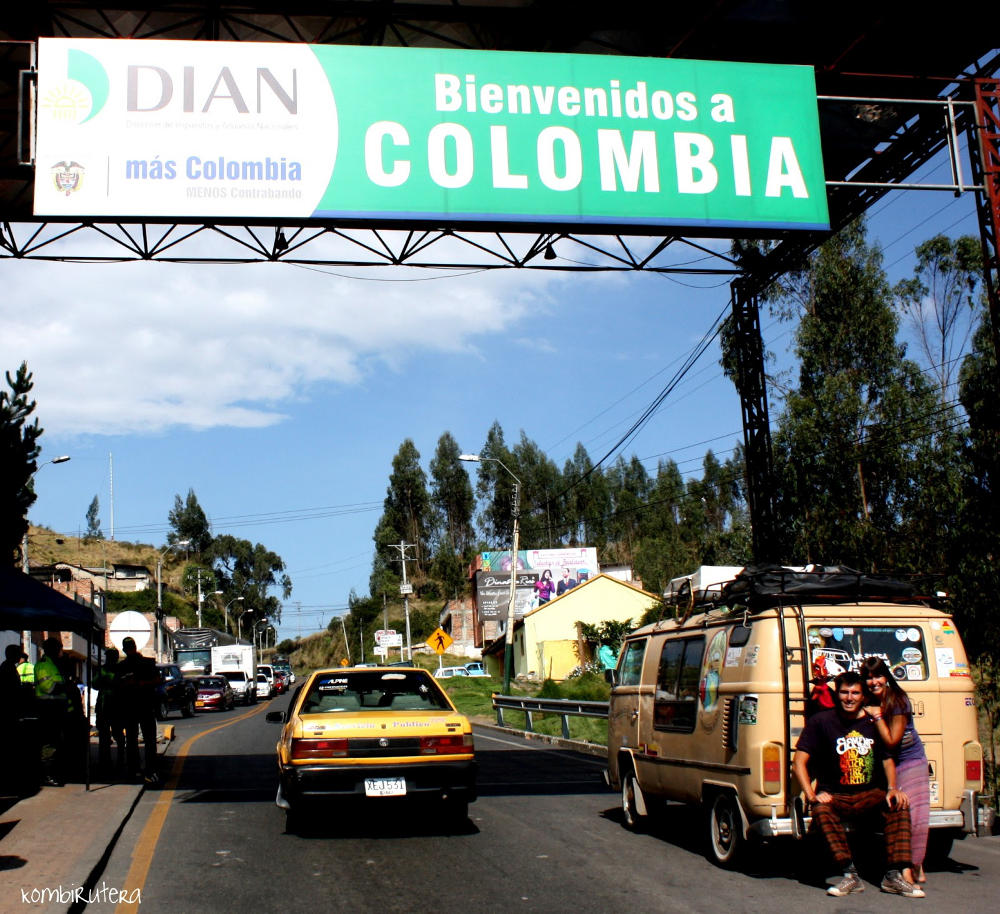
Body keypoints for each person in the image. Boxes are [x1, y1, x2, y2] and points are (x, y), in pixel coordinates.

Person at [793, 670, 923, 898]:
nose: (849, 698)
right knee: (821, 810)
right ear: (837, 694)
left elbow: (887, 759)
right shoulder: (821, 722)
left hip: (870, 793)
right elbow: (799, 762)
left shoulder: (873, 722)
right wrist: (812, 796)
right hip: (836, 795)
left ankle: (893, 876)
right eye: (844, 692)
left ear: (863, 696)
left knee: (899, 804)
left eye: (855, 693)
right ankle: (850, 875)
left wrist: (892, 789)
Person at [862, 656, 930, 885]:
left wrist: (877, 716)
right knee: (897, 813)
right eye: (869, 678)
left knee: (915, 816)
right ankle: (910, 866)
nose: (874, 682)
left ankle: (915, 866)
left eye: (878, 676)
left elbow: (892, 741)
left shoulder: (898, 700)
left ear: (887, 677)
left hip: (910, 760)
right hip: (886, 762)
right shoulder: (869, 700)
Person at [116, 637, 160, 784]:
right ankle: (141, 769)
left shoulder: (145, 663)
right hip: (135, 707)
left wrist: (141, 683)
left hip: (141, 706)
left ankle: (144, 769)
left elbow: (157, 680)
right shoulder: (124, 666)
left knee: (140, 740)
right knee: (139, 740)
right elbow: (117, 686)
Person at [34, 636, 73, 787]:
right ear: (52, 650)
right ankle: (47, 774)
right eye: (59, 648)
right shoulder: (44, 666)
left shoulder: (53, 665)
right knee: (49, 742)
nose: (61, 651)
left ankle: (53, 772)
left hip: (55, 709)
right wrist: (66, 686)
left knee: (56, 741)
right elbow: (49, 688)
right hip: (47, 709)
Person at [95, 648, 125, 778]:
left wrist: (108, 679)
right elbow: (94, 683)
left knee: (118, 736)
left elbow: (122, 684)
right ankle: (105, 763)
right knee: (104, 737)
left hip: (116, 707)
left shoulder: (119, 670)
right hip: (104, 707)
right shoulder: (103, 669)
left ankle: (120, 762)